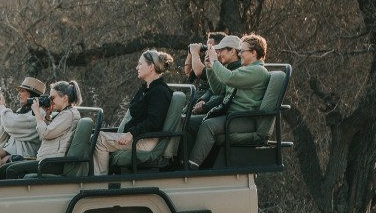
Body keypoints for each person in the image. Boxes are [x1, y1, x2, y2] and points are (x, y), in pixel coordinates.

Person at [187, 34, 271, 168]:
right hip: (232, 115)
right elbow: (220, 89)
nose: (240, 54)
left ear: (254, 53)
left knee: (208, 125)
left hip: (242, 119)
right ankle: (181, 161)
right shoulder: (246, 70)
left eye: (242, 51)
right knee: (188, 122)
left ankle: (191, 166)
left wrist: (215, 62)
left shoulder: (257, 71)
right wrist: (209, 67)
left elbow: (229, 78)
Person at [92, 50, 174, 175]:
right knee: (95, 136)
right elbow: (136, 109)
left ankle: (101, 181)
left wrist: (132, 133)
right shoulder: (147, 89)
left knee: (99, 139)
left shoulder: (159, 92)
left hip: (144, 140)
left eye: (140, 64)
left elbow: (154, 121)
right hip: (138, 137)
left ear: (151, 67)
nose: (137, 67)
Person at [184, 35, 243, 142]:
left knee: (185, 122)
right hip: (210, 105)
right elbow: (213, 89)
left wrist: (205, 107)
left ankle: (184, 158)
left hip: (222, 112)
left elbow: (223, 95)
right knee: (182, 119)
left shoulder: (236, 71)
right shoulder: (226, 67)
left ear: (232, 51)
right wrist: (202, 100)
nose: (218, 53)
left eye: (221, 50)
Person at [0, 76, 45, 172]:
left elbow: (13, 124)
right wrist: (1, 113)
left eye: (22, 91)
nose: (19, 94)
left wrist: (2, 108)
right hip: (12, 152)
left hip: (27, 156)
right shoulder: (21, 111)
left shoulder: (39, 112)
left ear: (31, 94)